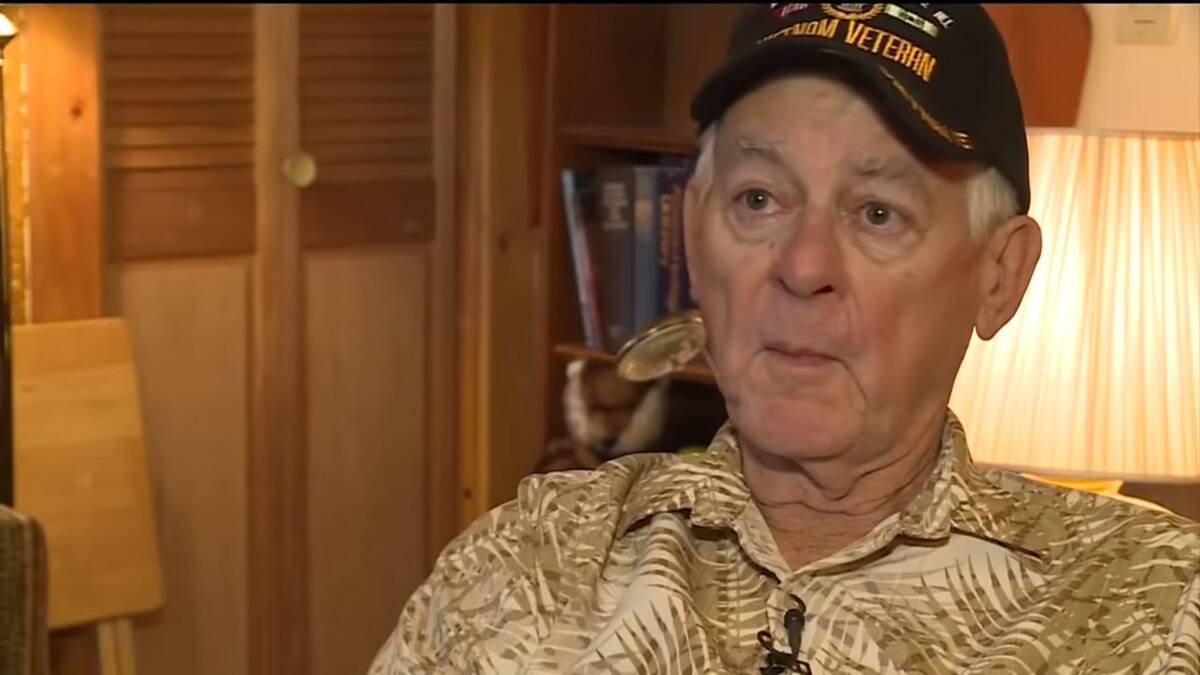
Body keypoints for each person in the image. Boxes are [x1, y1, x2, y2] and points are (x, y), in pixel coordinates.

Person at [370, 4, 1200, 673]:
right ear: (695, 236)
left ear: (1000, 275)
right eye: (759, 199)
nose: (803, 266)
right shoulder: (530, 560)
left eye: (879, 212)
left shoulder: (1155, 603)